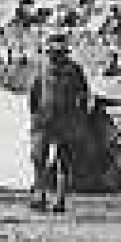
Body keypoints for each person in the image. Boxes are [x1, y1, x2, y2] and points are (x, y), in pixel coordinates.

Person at [28, 31, 92, 213]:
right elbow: (34, 94)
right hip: (43, 121)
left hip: (67, 122)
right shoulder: (41, 69)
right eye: (52, 52)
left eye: (59, 52)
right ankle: (39, 195)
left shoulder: (74, 70)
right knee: (38, 159)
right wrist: (34, 117)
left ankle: (60, 198)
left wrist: (79, 118)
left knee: (63, 161)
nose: (55, 55)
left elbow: (84, 94)